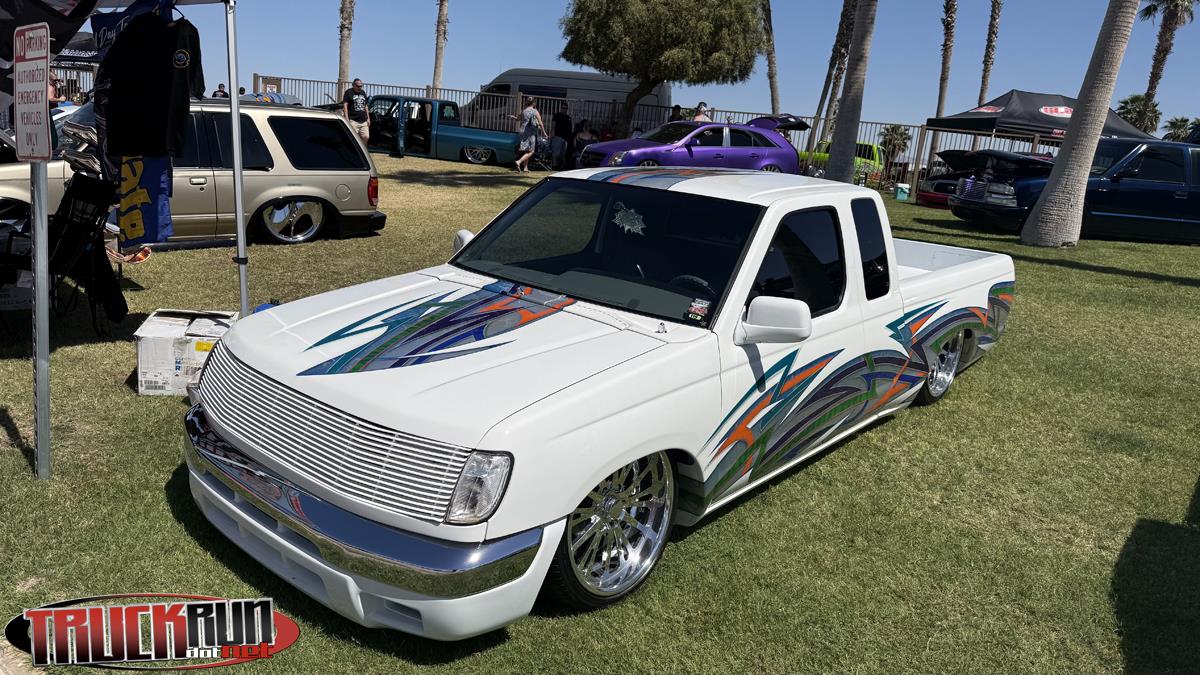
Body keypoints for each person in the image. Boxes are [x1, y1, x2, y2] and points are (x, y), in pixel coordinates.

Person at [514, 96, 545, 173]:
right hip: (530, 132)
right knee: (531, 151)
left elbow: (517, 119)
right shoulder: (535, 111)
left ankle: (525, 168)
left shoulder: (524, 110)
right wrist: (544, 133)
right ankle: (519, 161)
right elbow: (540, 123)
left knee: (527, 150)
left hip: (523, 131)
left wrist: (512, 117)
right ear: (534, 103)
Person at [342, 78, 370, 145]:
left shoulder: (363, 92)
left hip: (363, 120)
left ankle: (362, 149)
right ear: (353, 85)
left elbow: (365, 106)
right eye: (358, 86)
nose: (360, 87)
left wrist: (368, 118)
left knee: (366, 136)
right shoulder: (348, 92)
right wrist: (346, 118)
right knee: (354, 138)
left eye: (361, 86)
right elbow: (345, 105)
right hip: (353, 120)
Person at [551, 102, 573, 169]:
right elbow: (553, 126)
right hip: (558, 137)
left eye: (566, 108)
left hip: (566, 138)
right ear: (560, 108)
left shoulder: (568, 117)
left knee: (562, 154)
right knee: (556, 153)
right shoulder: (557, 115)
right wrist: (553, 135)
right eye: (563, 108)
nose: (564, 109)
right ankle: (554, 166)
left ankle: (560, 166)